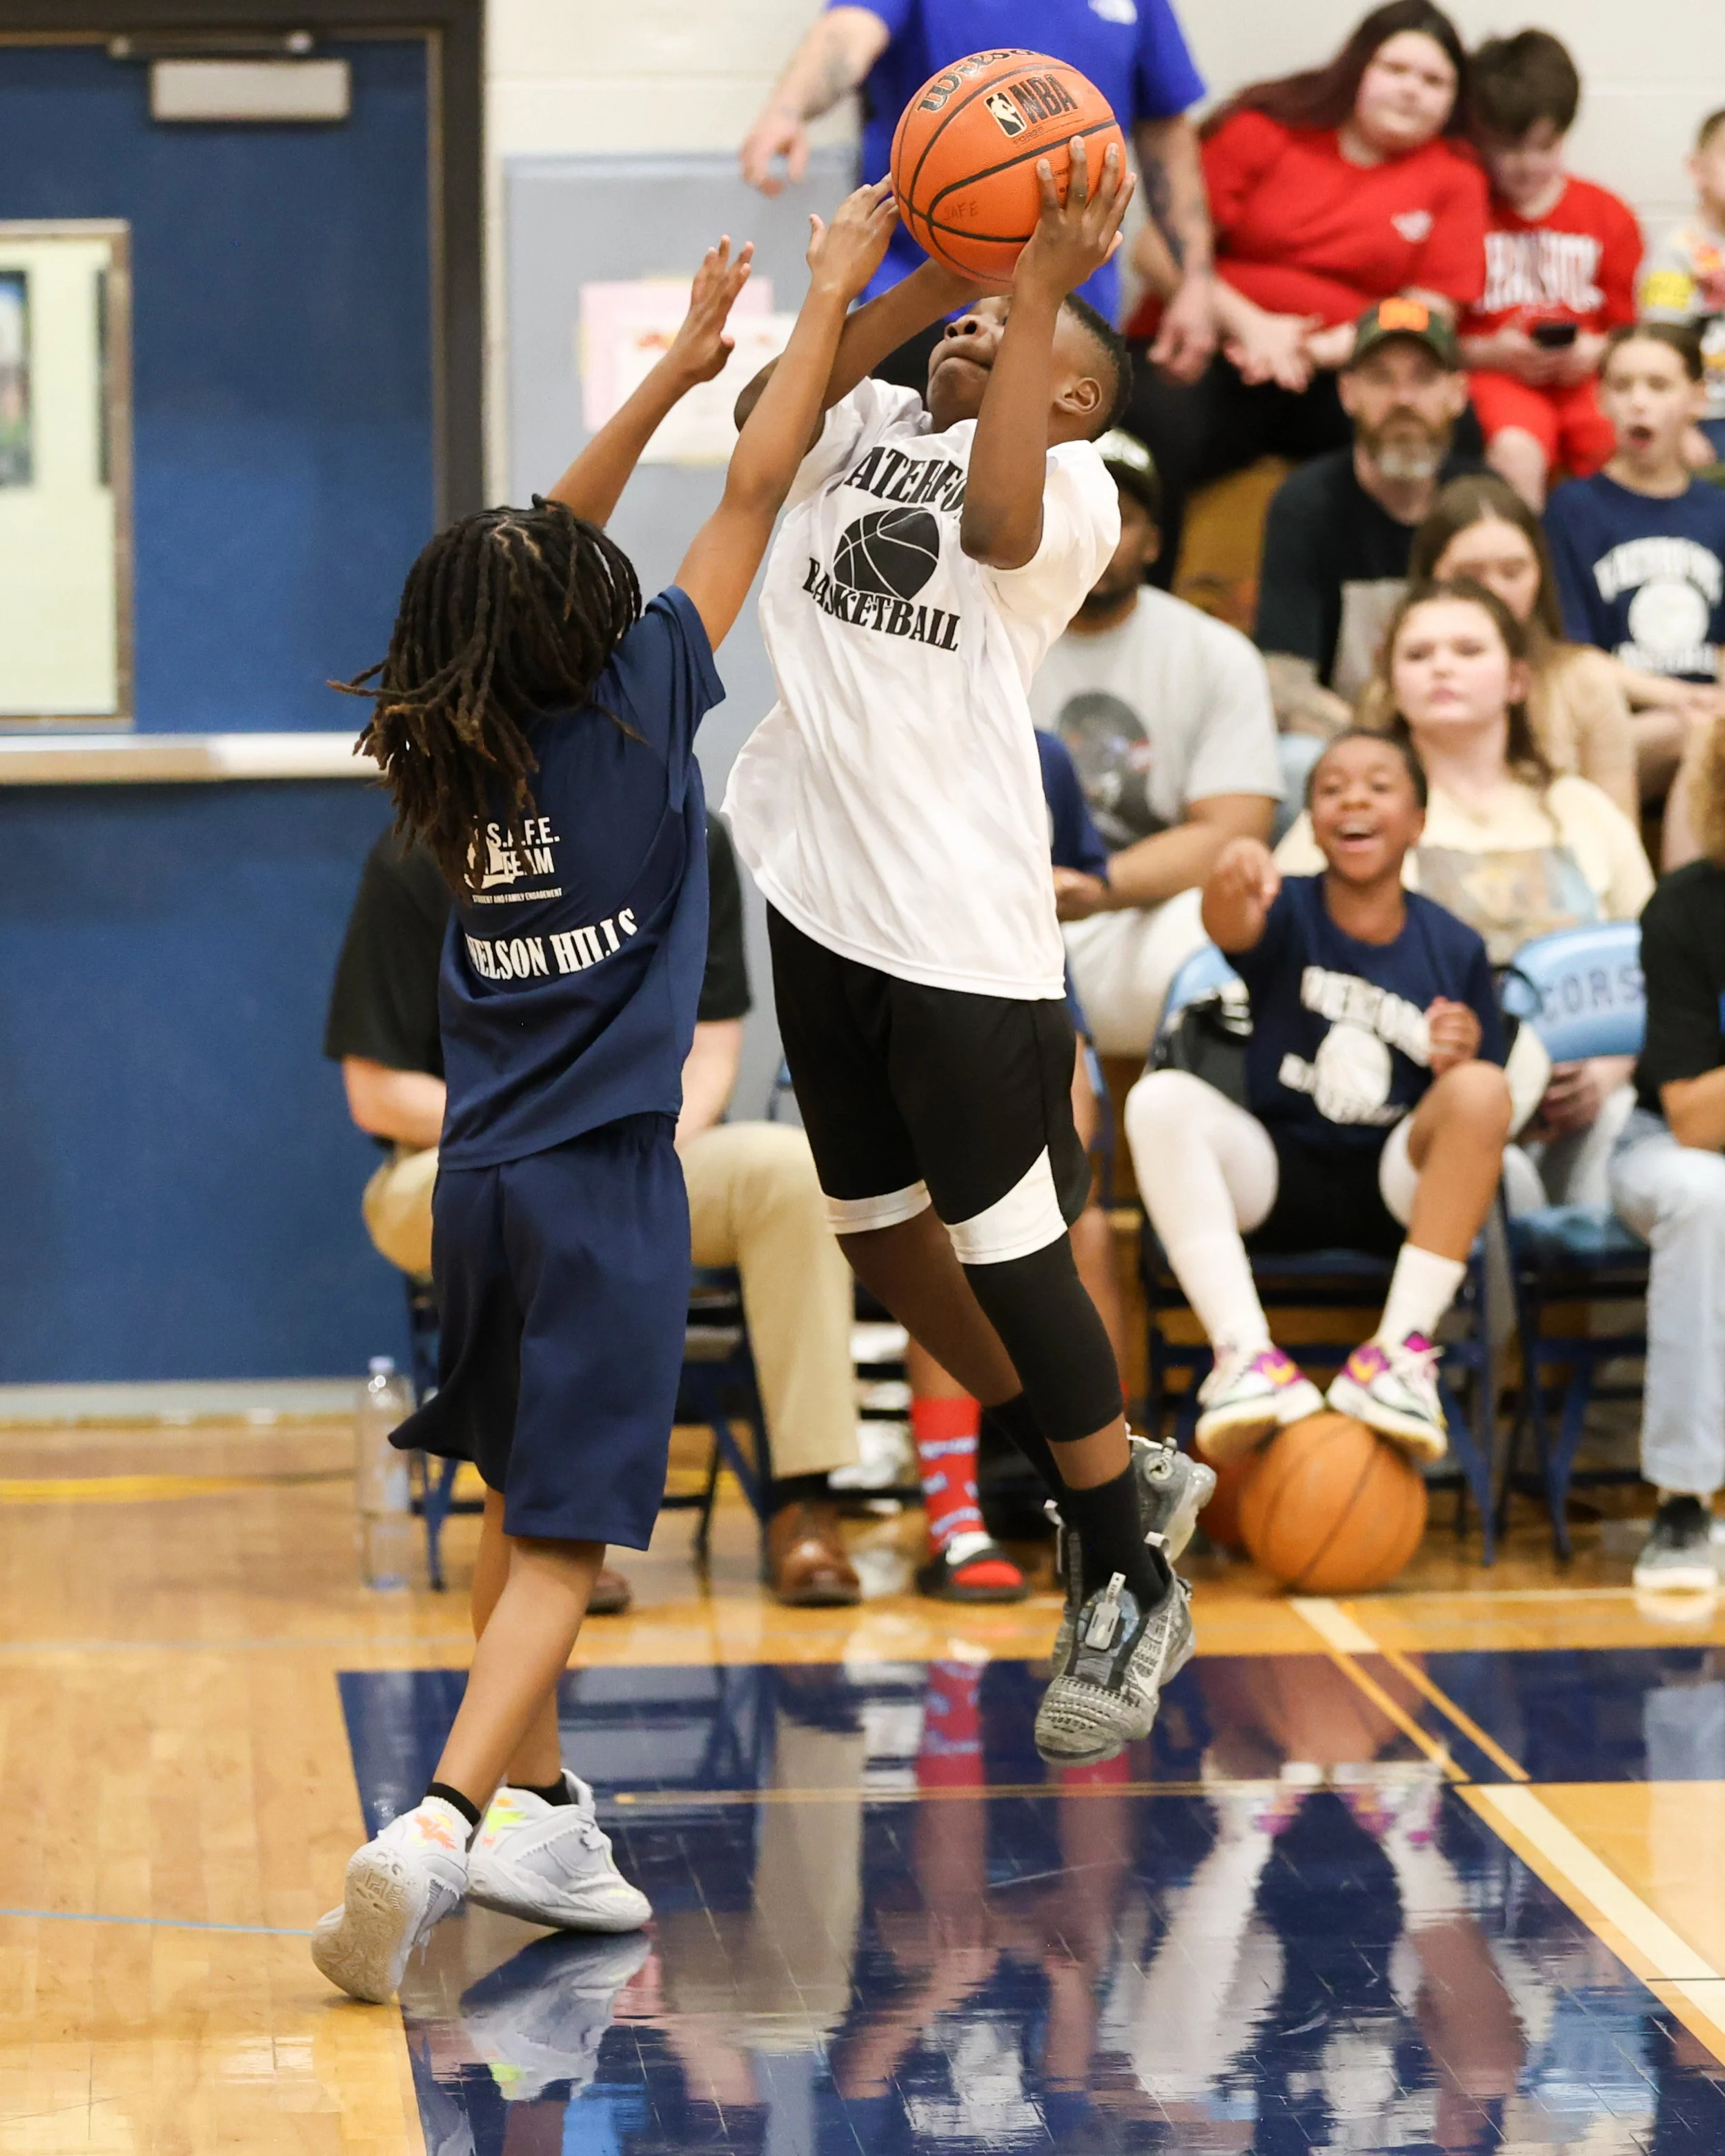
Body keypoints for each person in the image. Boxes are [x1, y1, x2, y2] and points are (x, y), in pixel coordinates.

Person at [308, 187, 900, 2005]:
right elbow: (762, 477)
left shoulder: (443, 735)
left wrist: (658, 372)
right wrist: (811, 301)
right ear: (594, 621)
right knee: (567, 1536)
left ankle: (544, 1809)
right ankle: (434, 1826)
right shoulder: (644, 707)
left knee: (508, 1485)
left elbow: (516, 570)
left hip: (478, 1180)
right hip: (604, 1190)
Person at [724, 141, 1210, 1767]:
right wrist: (932, 262)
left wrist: (1043, 288)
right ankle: (1108, 1461)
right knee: (877, 1237)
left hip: (963, 920)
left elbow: (990, 519)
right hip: (819, 892)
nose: (978, 342)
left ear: (1076, 402)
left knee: (1014, 1253)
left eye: (1021, 342)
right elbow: (752, 430)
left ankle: (1126, 1570)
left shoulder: (1065, 497)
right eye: (969, 327)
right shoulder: (853, 424)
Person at [324, 814, 867, 1612]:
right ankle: (554, 1527)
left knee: (787, 1173)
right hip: (458, 1154)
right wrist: (543, 1135)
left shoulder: (681, 833)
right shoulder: (426, 843)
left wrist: (620, 1146)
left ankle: (807, 1500)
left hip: (642, 1140)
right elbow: (376, 1090)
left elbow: (711, 1054)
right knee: (536, 1198)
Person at [1125, 730, 1511, 1462]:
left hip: (1396, 1187)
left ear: (1418, 821)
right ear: (1311, 822)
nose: (1353, 798)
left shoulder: (1454, 945)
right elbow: (1226, 923)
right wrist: (1229, 871)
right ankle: (1246, 1358)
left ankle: (1396, 1355)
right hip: (1277, 1171)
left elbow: (1480, 1115)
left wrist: (1458, 1059)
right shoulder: (1286, 908)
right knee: (1158, 1099)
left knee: (1482, 1087)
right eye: (1331, 788)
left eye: (1377, 785)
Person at [1280, 581, 1653, 1204]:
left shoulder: (1582, 808)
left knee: (1632, 1147)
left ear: (1516, 679)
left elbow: (1662, 967)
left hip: (1585, 1102)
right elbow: (1287, 963)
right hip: (1416, 1108)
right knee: (1496, 1178)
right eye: (1419, 655)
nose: (1443, 666)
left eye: (1468, 649)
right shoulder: (1353, 817)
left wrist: (1613, 1072)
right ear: (1391, 683)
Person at [1127, 0, 1488, 585]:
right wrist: (1251, 327)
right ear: (1356, 69)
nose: (1412, 90)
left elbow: (1431, 308)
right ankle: (1139, 617)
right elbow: (1156, 250)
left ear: (1454, 100)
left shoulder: (1455, 177)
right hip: (1216, 353)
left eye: (1434, 80)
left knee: (1458, 431)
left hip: (1342, 371)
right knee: (1146, 426)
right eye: (1396, 70)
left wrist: (1321, 350)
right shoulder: (1265, 131)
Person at [905, 728, 1136, 1605]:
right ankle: (954, 1521)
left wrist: (1062, 890)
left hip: (1033, 1007)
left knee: (1085, 1233)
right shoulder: (863, 732)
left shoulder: (1043, 751)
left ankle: (1103, 1510)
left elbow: (1082, 877)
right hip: (910, 1007)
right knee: (940, 1236)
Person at [738, 0, 1219, 385]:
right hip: (920, 305)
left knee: (1036, 501)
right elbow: (848, 32)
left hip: (1070, 313)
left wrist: (1195, 279)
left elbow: (1167, 132)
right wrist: (789, 108)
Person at [1027, 427, 1283, 1057]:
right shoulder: (980, 635)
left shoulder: (1215, 654)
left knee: (1210, 955)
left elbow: (1232, 834)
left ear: (1154, 544)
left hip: (1138, 919)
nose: (1099, 531)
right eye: (1078, 507)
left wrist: (1097, 887)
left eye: (1123, 515)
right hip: (992, 912)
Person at [1610, 715, 1725, 1591]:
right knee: (1705, 1193)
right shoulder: (1687, 905)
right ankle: (1683, 1504)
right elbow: (1692, 1116)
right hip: (1666, 1144)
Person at [1359, 473, 1639, 820]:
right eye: (1470, 575)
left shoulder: (1586, 679)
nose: (1496, 592)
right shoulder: (1393, 690)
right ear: (1432, 577)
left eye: (1513, 571)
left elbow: (1617, 830)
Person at [1254, 298, 1477, 735]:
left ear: (1457, 393)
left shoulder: (1483, 504)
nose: (1403, 399)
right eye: (1381, 378)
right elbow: (1283, 683)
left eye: (1424, 378)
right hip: (1346, 742)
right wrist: (1385, 751)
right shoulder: (1305, 506)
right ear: (1348, 393)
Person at [1543, 324, 1725, 835]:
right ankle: (1667, 910)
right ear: (1601, 399)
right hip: (1618, 721)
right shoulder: (1573, 508)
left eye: (1658, 385)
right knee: (1701, 732)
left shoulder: (1717, 511)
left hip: (1709, 712)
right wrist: (1675, 698)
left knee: (1711, 735)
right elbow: (1573, 651)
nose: (1638, 403)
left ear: (1697, 396)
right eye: (1622, 387)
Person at [1457, 31, 1640, 514]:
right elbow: (1436, 329)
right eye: (1508, 147)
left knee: (1617, 441)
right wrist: (1492, 353)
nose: (1525, 165)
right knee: (1516, 452)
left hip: (1587, 379)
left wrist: (1595, 350)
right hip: (1498, 378)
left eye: (1544, 146)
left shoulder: (1607, 215)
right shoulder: (1465, 211)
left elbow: (1630, 330)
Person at [1639, 107, 1725, 470]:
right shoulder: (1679, 251)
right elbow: (1663, 342)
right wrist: (1682, 427)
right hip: (1707, 417)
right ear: (1697, 170)